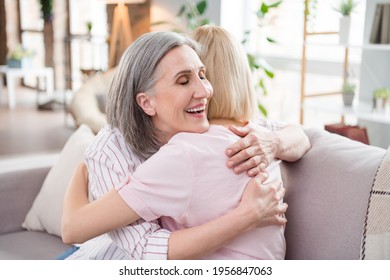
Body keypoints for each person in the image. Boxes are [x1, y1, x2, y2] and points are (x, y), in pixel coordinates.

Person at [62, 29, 310, 259]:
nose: (204, 90)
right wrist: (247, 216)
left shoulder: (231, 134)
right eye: (183, 81)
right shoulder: (116, 153)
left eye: (203, 75)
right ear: (146, 103)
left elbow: (300, 135)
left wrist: (274, 143)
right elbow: (142, 249)